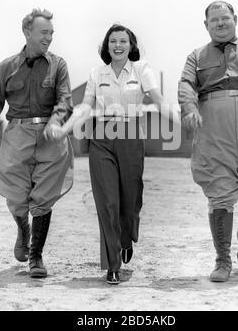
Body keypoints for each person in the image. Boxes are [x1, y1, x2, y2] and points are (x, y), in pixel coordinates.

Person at [50, 23, 180, 284]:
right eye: (113, 42)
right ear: (106, 47)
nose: (118, 46)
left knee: (130, 201)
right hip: (102, 138)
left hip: (131, 136)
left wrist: (180, 120)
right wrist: (64, 129)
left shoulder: (141, 69)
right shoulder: (97, 73)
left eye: (123, 41)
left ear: (131, 45)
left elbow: (157, 99)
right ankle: (112, 264)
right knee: (107, 201)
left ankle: (126, 236)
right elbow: (85, 107)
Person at [178, 0, 238, 282]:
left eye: (225, 18)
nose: (220, 23)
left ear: (235, 18)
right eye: (214, 20)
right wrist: (189, 108)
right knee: (220, 194)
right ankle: (222, 260)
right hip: (214, 131)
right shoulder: (196, 56)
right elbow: (186, 85)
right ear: (206, 25)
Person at [0, 8, 74, 278]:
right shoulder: (7, 67)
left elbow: (65, 100)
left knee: (43, 199)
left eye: (51, 33)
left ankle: (36, 257)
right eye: (44, 32)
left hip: (50, 137)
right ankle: (23, 229)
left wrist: (56, 122)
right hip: (17, 135)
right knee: (16, 196)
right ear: (27, 32)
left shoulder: (59, 65)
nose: (49, 38)